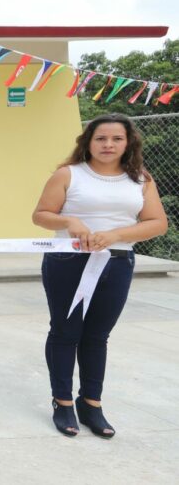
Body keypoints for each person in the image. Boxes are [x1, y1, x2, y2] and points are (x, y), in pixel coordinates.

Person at [32, 113, 167, 438]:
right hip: (68, 260)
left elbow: (157, 222)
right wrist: (70, 222)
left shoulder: (141, 180)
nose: (108, 145)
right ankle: (62, 402)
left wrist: (116, 234)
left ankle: (91, 404)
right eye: (101, 138)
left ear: (128, 142)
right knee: (66, 332)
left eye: (116, 139)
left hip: (117, 263)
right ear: (88, 142)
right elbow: (41, 215)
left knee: (97, 336)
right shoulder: (68, 174)